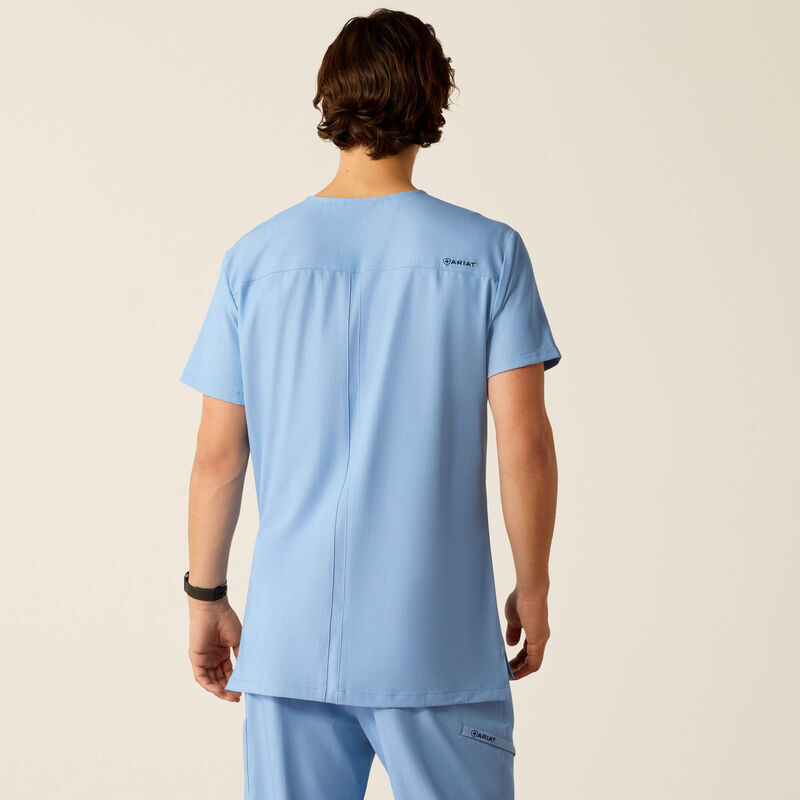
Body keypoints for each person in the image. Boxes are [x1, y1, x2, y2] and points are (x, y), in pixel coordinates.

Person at [180, 9, 561, 799]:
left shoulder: (254, 260)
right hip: (437, 643)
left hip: (289, 643)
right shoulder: (490, 253)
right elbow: (524, 445)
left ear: (331, 99)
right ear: (433, 99)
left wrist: (206, 597)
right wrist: (534, 585)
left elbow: (218, 455)